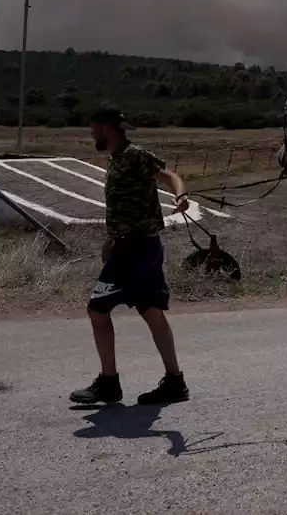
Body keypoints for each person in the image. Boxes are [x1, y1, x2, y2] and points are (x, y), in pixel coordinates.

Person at [69, 103, 191, 406]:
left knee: (98, 309)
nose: (91, 133)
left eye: (93, 127)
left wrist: (181, 195)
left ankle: (109, 384)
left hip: (137, 248)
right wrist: (112, 241)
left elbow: (170, 176)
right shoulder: (115, 158)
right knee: (150, 310)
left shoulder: (135, 156)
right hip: (133, 245)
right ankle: (175, 382)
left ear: (106, 128)